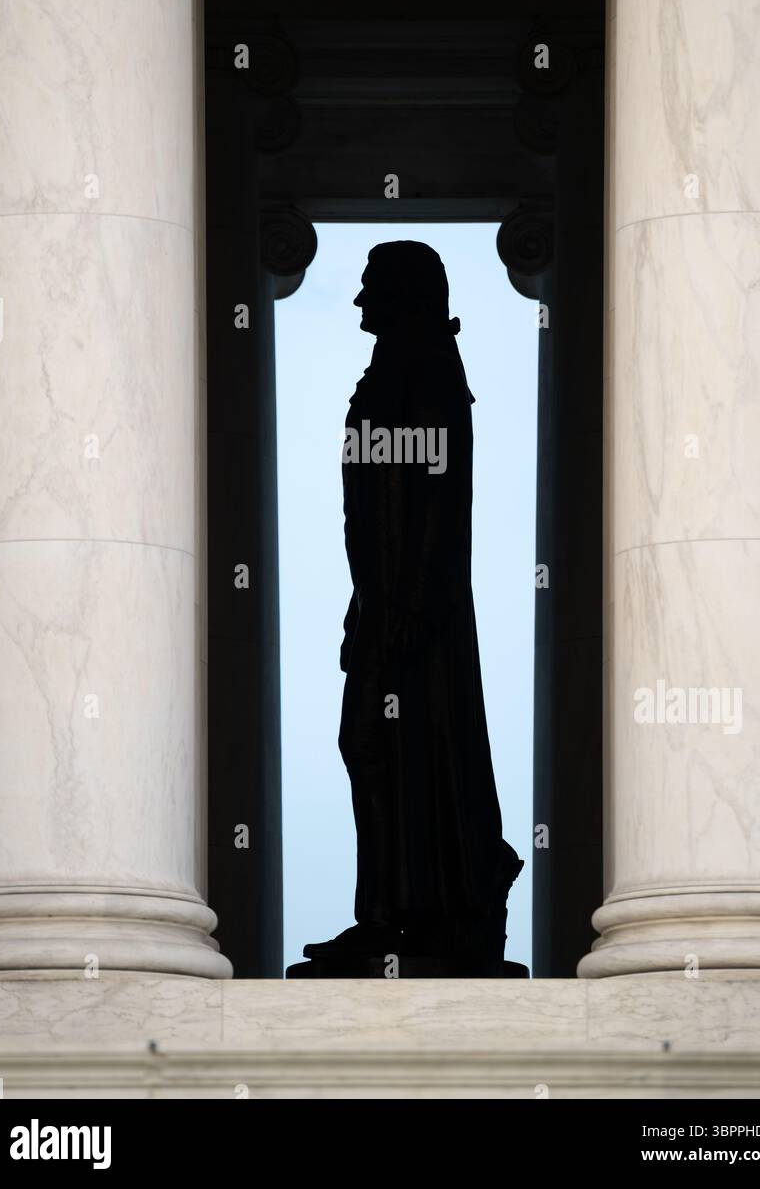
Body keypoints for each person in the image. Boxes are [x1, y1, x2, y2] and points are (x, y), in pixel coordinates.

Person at [303, 240, 522, 973]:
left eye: (372, 288)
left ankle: (413, 912)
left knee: (390, 746)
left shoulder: (424, 369)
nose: (360, 302)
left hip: (412, 611)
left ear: (405, 293)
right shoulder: (404, 366)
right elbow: (374, 510)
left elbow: (432, 509)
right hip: (389, 605)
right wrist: (360, 608)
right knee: (384, 748)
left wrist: (404, 611)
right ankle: (402, 911)